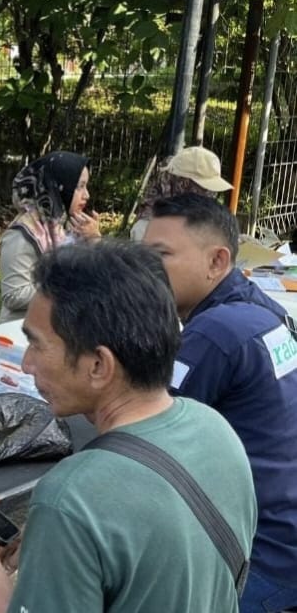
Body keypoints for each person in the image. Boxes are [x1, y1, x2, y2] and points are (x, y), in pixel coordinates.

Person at [0, 240, 257, 612]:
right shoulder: (216, 428)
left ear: (99, 366)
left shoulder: (72, 496)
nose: (26, 364)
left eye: (37, 345)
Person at [144, 193, 297, 612]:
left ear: (216, 261)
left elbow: (142, 436)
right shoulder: (260, 307)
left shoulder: (214, 334)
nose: (146, 270)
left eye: (161, 255)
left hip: (260, 556)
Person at [0, 151, 100, 323]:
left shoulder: (63, 227)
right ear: (56, 186)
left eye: (86, 186)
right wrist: (67, 287)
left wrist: (95, 240)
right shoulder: (22, 234)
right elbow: (13, 295)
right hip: (23, 336)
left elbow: (99, 277)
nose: (87, 195)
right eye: (79, 187)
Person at [130, 145, 233, 241]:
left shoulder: (196, 216)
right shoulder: (146, 230)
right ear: (182, 184)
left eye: (212, 191)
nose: (211, 196)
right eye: (204, 189)